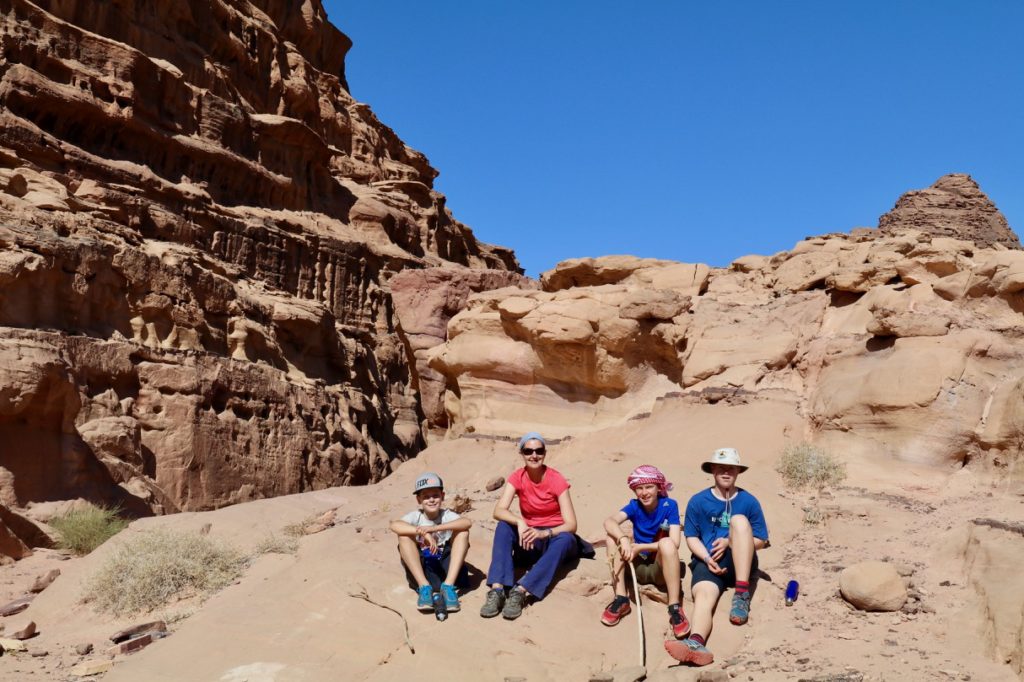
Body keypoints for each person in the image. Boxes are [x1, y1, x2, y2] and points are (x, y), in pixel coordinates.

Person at [666, 448, 769, 666]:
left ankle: (741, 594)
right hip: (709, 561)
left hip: (741, 561)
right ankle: (696, 644)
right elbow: (691, 537)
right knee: (703, 593)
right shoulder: (698, 501)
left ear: (738, 472)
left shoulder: (748, 501)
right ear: (712, 470)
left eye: (730, 468)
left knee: (739, 521)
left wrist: (730, 541)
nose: (725, 472)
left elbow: (761, 540)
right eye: (721, 467)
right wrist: (706, 558)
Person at [481, 432, 579, 620]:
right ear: (522, 453)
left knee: (567, 538)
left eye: (538, 451)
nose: (534, 455)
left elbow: (571, 524)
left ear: (544, 452)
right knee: (503, 526)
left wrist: (545, 533)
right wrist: (520, 522)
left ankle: (521, 591)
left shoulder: (556, 479)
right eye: (528, 451)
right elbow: (499, 510)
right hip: (529, 537)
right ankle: (497, 590)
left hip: (553, 538)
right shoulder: (517, 477)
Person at [602, 465, 691, 639]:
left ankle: (674, 607)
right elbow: (609, 521)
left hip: (659, 568)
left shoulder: (670, 505)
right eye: (639, 488)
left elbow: (675, 542)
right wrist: (623, 539)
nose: (644, 493)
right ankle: (621, 598)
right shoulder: (634, 506)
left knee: (667, 544)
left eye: (649, 487)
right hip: (637, 566)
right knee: (611, 538)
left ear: (659, 488)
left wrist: (641, 547)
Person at [389, 472, 472, 614]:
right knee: (404, 536)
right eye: (426, 497)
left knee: (463, 531)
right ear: (418, 499)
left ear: (443, 496)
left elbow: (467, 522)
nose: (431, 500)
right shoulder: (416, 516)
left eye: (435, 495)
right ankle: (424, 588)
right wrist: (423, 533)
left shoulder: (446, 515)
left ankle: (448, 587)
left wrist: (434, 528)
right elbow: (395, 525)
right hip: (425, 571)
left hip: (446, 571)